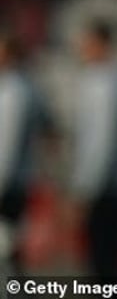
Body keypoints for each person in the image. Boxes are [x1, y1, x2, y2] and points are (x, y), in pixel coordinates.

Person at [69, 20, 117, 277]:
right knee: (110, 260)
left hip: (106, 187)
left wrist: (86, 188)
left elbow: (102, 142)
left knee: (103, 262)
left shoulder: (105, 85)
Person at [0, 31, 43, 276]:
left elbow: (7, 145)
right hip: (13, 182)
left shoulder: (13, 92)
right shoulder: (20, 88)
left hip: (9, 185)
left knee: (7, 251)